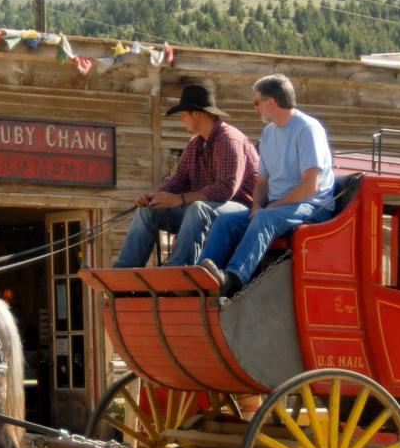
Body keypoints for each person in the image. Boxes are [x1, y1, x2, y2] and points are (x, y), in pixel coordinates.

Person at [198, 74, 335, 298]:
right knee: (224, 222)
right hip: (278, 206)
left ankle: (231, 280)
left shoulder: (308, 129)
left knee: (264, 219)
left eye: (256, 102)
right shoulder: (269, 133)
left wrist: (270, 209)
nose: (256, 108)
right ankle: (202, 279)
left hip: (311, 206)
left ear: (271, 102)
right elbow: (262, 181)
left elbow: (311, 185)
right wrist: (256, 206)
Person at [111, 83, 259, 268]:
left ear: (197, 113)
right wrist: (154, 196)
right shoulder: (195, 144)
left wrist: (180, 199)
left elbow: (226, 188)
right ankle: (124, 272)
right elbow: (177, 181)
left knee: (197, 208)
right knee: (147, 211)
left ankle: (177, 268)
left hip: (243, 211)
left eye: (184, 114)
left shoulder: (229, 140)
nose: (182, 119)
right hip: (203, 211)